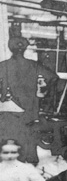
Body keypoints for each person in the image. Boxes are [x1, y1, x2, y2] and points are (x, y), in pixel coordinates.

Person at [0, 36, 59, 164]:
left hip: (8, 109)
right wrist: (42, 94)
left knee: (8, 138)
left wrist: (3, 94)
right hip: (30, 109)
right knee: (29, 139)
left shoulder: (3, 65)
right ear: (26, 48)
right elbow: (53, 77)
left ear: (10, 48)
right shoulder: (34, 65)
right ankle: (30, 165)